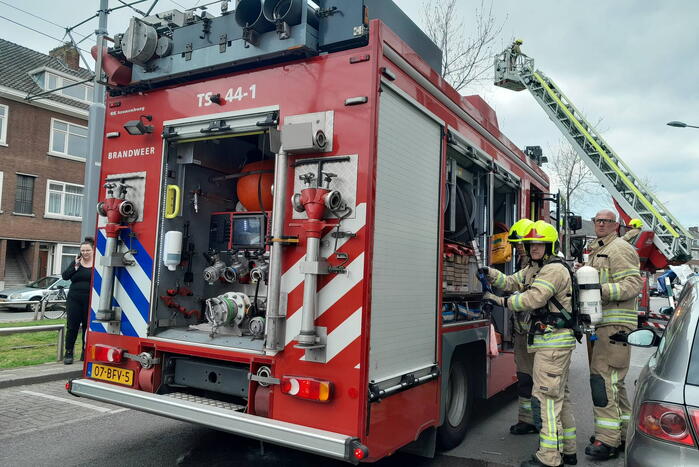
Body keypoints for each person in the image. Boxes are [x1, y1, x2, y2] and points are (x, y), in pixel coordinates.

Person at [481, 220, 577, 467]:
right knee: (559, 396)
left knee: (546, 399)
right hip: (549, 342)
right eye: (531, 244)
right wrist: (491, 274)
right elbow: (512, 282)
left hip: (553, 342)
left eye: (539, 244)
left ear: (550, 245)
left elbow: (533, 299)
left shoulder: (554, 270)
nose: (534, 248)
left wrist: (499, 302)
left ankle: (549, 457)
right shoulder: (535, 268)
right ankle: (568, 450)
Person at [584, 209, 642, 460]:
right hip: (602, 324)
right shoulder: (598, 248)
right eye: (598, 220)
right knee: (614, 382)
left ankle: (606, 441)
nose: (601, 224)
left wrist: (600, 290)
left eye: (606, 221)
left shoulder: (619, 248)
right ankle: (621, 433)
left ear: (616, 225)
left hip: (615, 324)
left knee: (603, 380)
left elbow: (633, 284)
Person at [499, 218, 537, 435]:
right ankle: (527, 420)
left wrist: (506, 301)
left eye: (520, 244)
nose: (517, 249)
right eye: (516, 245)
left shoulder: (548, 265)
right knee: (524, 378)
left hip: (540, 335)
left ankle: (544, 424)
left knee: (541, 383)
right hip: (523, 332)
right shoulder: (526, 264)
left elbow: (532, 298)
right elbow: (511, 282)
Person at [61, 237, 95, 365]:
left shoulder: (96, 263)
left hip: (90, 299)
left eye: (87, 250)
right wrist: (75, 266)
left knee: (87, 326)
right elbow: (65, 276)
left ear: (93, 250)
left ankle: (84, 351)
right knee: (72, 326)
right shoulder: (77, 262)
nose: (85, 253)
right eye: (83, 250)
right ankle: (68, 352)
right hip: (74, 298)